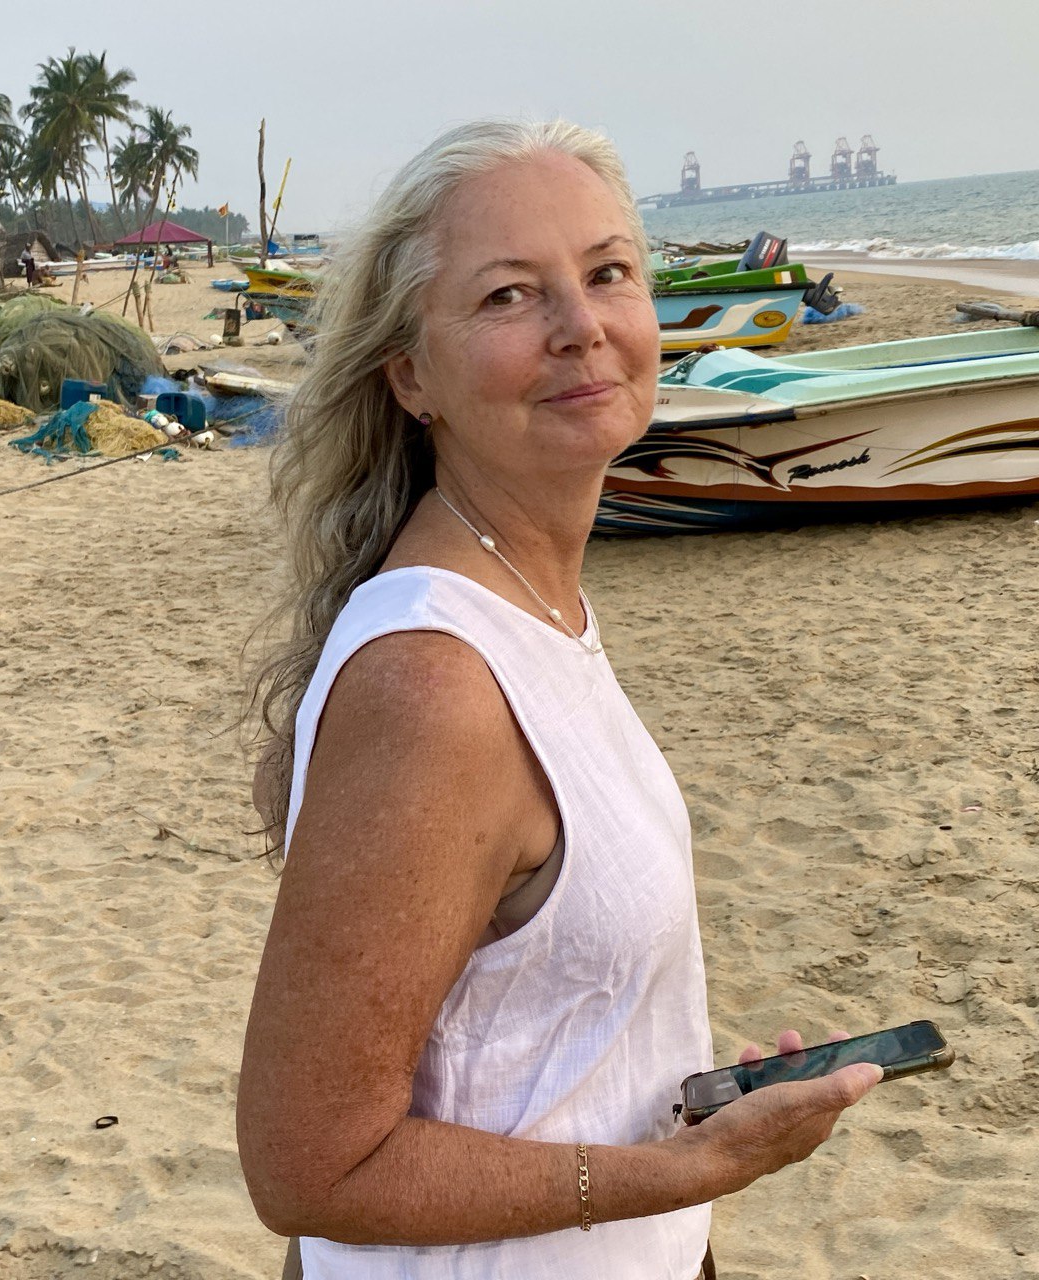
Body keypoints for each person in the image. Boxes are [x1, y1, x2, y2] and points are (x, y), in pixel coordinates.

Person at [236, 120, 882, 1280]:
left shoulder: (534, 603)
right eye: (506, 296)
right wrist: (688, 1169)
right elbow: (306, 1168)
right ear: (410, 374)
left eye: (606, 272)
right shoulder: (432, 685)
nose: (580, 326)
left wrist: (677, 1101)